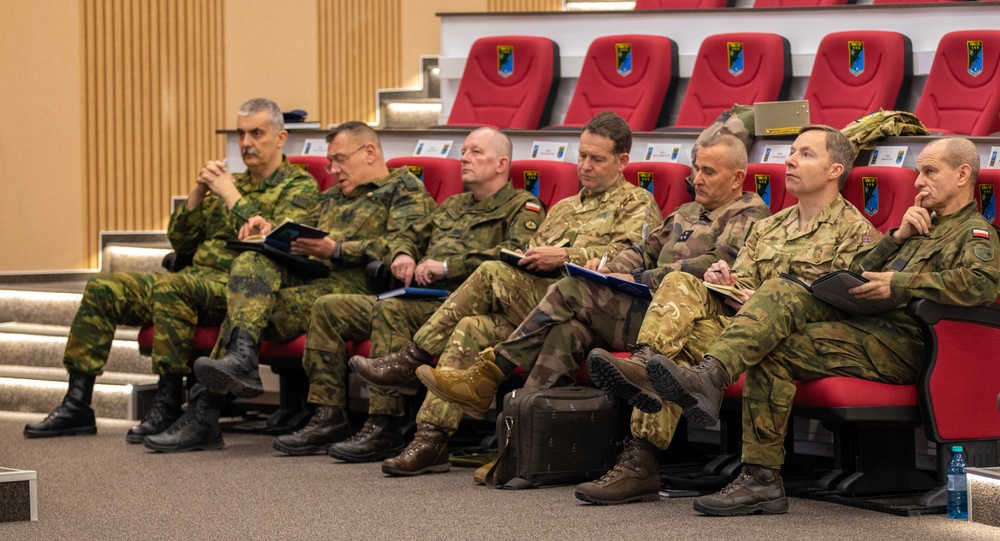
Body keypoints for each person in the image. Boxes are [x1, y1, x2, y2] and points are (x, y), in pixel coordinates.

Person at [648, 137, 1000, 516]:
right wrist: (898, 236)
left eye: (929, 172)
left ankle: (710, 381)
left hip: (914, 343)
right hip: (869, 328)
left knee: (780, 316)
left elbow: (983, 283)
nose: (918, 182)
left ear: (963, 174)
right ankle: (760, 476)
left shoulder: (975, 232)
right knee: (780, 317)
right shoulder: (918, 225)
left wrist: (900, 284)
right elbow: (860, 268)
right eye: (917, 173)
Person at [413, 132, 771, 478]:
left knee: (571, 289)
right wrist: (613, 270)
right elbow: (641, 250)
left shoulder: (749, 213)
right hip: (642, 309)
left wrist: (639, 279)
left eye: (709, 172)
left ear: (738, 176)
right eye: (696, 169)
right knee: (567, 331)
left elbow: (711, 262)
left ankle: (491, 374)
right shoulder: (687, 211)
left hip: (684, 320)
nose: (697, 178)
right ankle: (522, 450)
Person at [569, 124, 878, 504]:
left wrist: (762, 300)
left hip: (794, 340)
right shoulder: (769, 226)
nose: (791, 160)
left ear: (835, 171)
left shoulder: (856, 234)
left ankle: (642, 459)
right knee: (682, 283)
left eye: (806, 154)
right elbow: (742, 282)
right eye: (792, 151)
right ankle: (645, 367)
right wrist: (726, 280)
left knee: (678, 349)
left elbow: (840, 307)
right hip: (738, 331)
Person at [351, 111, 663, 473]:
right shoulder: (563, 207)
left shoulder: (637, 203)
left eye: (597, 159)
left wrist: (565, 256)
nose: (585, 166)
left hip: (594, 310)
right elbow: (533, 250)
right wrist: (529, 258)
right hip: (540, 307)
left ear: (622, 161)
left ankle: (411, 358)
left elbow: (628, 263)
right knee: (472, 326)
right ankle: (431, 438)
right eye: (581, 156)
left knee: (488, 274)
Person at [23, 98, 319, 441]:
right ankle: (77, 403)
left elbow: (273, 241)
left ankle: (166, 404)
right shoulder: (230, 182)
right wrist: (197, 193)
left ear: (281, 138)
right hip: (195, 279)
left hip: (240, 291)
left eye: (256, 133)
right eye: (240, 134)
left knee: (172, 289)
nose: (246, 143)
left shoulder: (300, 186)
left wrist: (231, 196)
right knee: (103, 288)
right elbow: (182, 243)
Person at [142, 121, 436, 452]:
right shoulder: (331, 198)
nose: (333, 169)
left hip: (357, 286)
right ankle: (239, 361)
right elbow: (299, 229)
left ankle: (204, 414)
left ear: (369, 152)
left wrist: (336, 249)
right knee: (251, 274)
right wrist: (270, 233)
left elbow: (402, 245)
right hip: (313, 280)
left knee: (251, 311)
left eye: (339, 160)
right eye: (329, 162)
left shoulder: (404, 189)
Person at [270, 127, 545, 459]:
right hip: (421, 297)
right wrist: (403, 254)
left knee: (392, 310)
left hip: (464, 303)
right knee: (329, 307)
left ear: (502, 164)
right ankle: (328, 415)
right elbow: (410, 234)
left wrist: (446, 266)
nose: (464, 158)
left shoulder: (524, 207)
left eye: (475, 152)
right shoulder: (452, 206)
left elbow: (509, 259)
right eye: (463, 151)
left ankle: (383, 422)